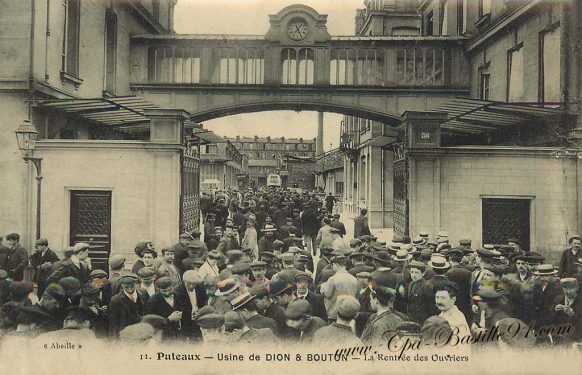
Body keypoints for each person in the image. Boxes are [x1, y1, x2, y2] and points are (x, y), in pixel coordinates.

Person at [360, 279, 406, 345]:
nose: (370, 302)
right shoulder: (399, 318)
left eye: (371, 299)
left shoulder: (378, 325)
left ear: (376, 300)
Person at [320, 255, 359, 322]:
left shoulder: (333, 279)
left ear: (336, 264)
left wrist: (323, 286)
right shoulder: (354, 279)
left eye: (333, 265)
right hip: (350, 312)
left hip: (335, 313)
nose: (332, 267)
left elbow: (327, 294)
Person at [145, 277, 184, 341]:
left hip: (179, 335)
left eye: (169, 290)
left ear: (173, 287)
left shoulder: (178, 295)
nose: (167, 293)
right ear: (158, 289)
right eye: (164, 291)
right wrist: (169, 319)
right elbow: (150, 323)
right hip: (163, 337)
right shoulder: (153, 301)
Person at [174, 270, 208, 342]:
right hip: (186, 321)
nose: (192, 286)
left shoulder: (200, 288)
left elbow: (204, 301)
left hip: (199, 319)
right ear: (184, 282)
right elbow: (178, 308)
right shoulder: (178, 291)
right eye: (189, 284)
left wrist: (200, 311)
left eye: (194, 284)